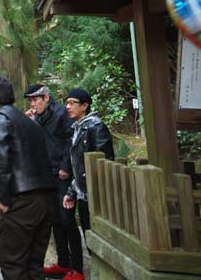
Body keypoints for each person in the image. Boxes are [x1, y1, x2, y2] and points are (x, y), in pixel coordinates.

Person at [0, 76, 57, 280]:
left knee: (12, 263)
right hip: (45, 197)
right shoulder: (29, 122)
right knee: (34, 264)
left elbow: (2, 160)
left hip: (22, 199)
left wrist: (5, 199)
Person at [23, 84, 80, 279]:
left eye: (35, 99)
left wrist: (66, 166)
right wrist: (30, 122)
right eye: (30, 100)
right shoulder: (38, 116)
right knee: (54, 219)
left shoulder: (61, 113)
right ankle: (63, 263)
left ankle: (78, 269)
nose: (32, 103)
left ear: (46, 98)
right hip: (47, 175)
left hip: (63, 174)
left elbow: (70, 140)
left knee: (67, 220)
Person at [61, 88, 114, 280]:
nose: (68, 106)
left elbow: (103, 162)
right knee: (89, 238)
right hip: (84, 194)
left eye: (73, 102)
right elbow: (78, 167)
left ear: (85, 105)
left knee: (99, 240)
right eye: (67, 103)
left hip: (97, 196)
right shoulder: (78, 128)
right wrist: (72, 191)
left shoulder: (96, 127)